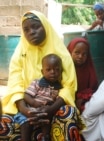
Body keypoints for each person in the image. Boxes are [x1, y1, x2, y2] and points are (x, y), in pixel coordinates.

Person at [0, 10, 83, 141]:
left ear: (45, 26)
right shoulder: (19, 54)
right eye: (26, 29)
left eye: (35, 26)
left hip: (52, 109)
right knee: (3, 124)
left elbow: (69, 87)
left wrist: (49, 110)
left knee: (68, 114)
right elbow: (15, 85)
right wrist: (25, 110)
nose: (31, 32)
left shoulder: (61, 53)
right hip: (25, 110)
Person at [18, 54, 63, 141]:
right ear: (42, 72)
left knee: (47, 122)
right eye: (48, 69)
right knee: (26, 123)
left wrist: (49, 107)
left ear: (61, 71)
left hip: (45, 112)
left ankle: (46, 137)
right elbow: (26, 95)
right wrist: (34, 104)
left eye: (57, 69)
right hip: (31, 110)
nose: (53, 72)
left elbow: (56, 102)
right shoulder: (37, 83)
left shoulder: (59, 88)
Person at [67, 37, 98, 114]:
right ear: (70, 52)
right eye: (77, 53)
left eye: (84, 54)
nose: (80, 56)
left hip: (85, 103)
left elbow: (95, 90)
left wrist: (83, 98)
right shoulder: (65, 69)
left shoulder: (89, 70)